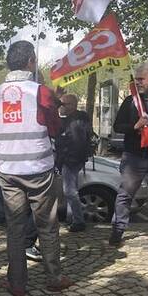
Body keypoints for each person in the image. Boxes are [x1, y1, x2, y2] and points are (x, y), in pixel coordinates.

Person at [0, 40, 72, 296]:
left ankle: (17, 283)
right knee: (47, 225)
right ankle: (54, 278)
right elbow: (55, 127)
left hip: (9, 170)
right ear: (31, 62)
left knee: (15, 228)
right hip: (39, 169)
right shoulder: (41, 92)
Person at [110, 63, 148, 246]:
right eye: (136, 79)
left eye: (141, 79)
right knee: (125, 194)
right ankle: (118, 229)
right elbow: (117, 126)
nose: (137, 83)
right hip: (134, 157)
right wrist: (135, 126)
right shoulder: (131, 101)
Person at [0, 93, 42, 262]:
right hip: (4, 161)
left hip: (4, 161)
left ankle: (17, 271)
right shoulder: (2, 117)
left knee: (10, 202)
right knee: (16, 205)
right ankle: (5, 222)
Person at [55, 94, 92, 232]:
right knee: (72, 189)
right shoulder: (74, 119)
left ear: (72, 105)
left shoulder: (76, 121)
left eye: (63, 104)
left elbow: (76, 141)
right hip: (73, 158)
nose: (60, 107)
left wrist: (68, 158)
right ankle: (72, 218)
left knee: (70, 191)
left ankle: (78, 221)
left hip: (71, 159)